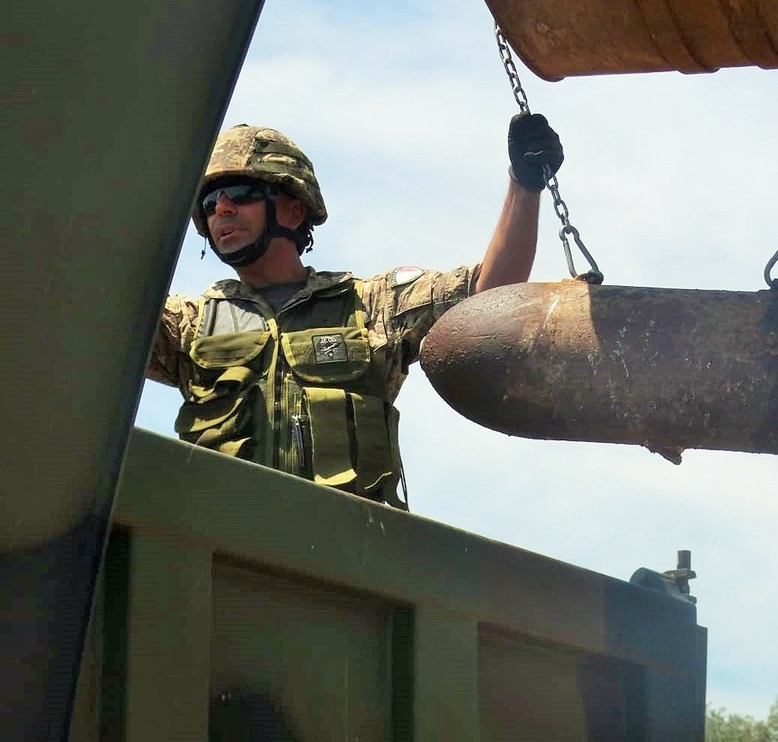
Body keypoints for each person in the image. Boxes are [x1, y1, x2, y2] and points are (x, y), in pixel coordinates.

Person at [146, 116, 563, 507]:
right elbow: (88, 314)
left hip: (347, 556)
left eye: (240, 194)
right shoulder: (186, 324)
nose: (221, 210)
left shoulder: (371, 304)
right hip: (219, 553)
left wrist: (523, 187)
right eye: (210, 202)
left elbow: (490, 295)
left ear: (294, 209)